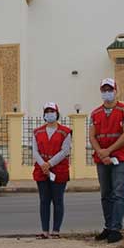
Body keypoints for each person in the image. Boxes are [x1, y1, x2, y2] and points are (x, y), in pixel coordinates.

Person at [89, 78, 124, 244]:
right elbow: (92, 136)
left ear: (116, 91)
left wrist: (109, 150)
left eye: (110, 89)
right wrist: (101, 152)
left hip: (119, 158)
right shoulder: (95, 113)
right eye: (104, 89)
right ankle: (108, 226)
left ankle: (116, 228)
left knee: (118, 193)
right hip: (102, 158)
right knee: (105, 194)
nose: (107, 92)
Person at [32, 102, 72, 239]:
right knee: (44, 201)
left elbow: (65, 151)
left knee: (58, 200)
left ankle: (56, 230)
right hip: (41, 170)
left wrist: (49, 163)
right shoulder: (37, 132)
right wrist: (43, 165)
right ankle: (45, 230)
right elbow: (35, 151)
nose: (50, 114)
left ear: (57, 113)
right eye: (47, 111)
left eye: (52, 111)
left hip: (59, 170)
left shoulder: (65, 132)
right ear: (44, 115)